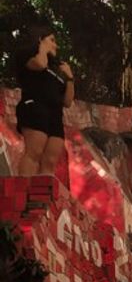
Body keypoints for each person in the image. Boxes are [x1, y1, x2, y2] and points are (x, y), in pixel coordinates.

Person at [14, 23, 75, 176]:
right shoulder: (27, 55)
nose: (56, 45)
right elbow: (40, 64)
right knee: (34, 153)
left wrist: (70, 78)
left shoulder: (55, 68)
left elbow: (67, 101)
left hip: (55, 114)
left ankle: (43, 197)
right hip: (35, 107)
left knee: (50, 161)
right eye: (52, 40)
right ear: (40, 39)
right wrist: (42, 47)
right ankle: (24, 194)